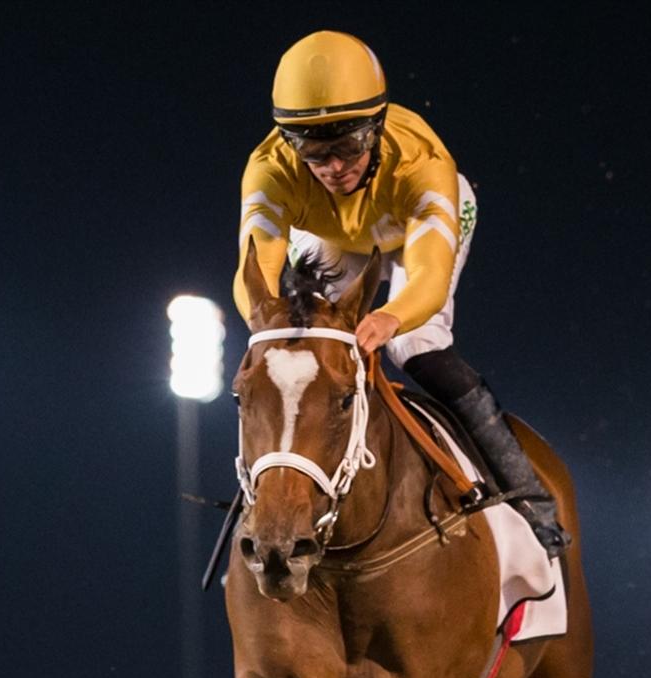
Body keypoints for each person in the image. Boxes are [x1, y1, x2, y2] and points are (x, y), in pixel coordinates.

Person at [233, 30, 568, 558]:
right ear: (288, 144)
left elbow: (429, 279)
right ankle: (264, 512)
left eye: (348, 146)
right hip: (334, 235)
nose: (334, 167)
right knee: (298, 355)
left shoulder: (423, 165)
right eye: (314, 152)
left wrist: (391, 316)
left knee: (415, 346)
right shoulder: (270, 170)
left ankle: (530, 498)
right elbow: (255, 273)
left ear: (377, 128)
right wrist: (273, 325)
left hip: (414, 222)